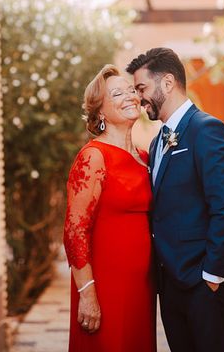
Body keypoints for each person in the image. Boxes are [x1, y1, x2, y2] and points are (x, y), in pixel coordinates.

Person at [126, 47, 224, 352]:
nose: (139, 98)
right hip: (171, 282)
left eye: (142, 88)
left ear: (167, 83)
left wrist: (212, 275)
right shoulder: (157, 142)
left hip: (203, 282)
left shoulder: (208, 131)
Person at [63, 64, 157, 352]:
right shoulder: (94, 157)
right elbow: (74, 231)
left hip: (141, 286)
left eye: (131, 90)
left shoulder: (143, 156)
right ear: (100, 111)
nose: (130, 96)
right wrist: (87, 293)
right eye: (117, 93)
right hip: (105, 285)